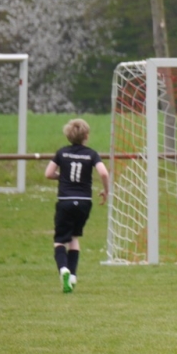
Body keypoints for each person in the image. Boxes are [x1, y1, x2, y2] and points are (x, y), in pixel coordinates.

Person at [45, 118, 110, 294]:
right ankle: (72, 275)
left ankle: (63, 269)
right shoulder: (91, 154)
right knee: (74, 237)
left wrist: (62, 176)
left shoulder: (62, 153)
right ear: (86, 136)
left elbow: (48, 173)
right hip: (84, 202)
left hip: (65, 201)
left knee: (60, 240)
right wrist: (106, 191)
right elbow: (104, 173)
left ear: (68, 135)